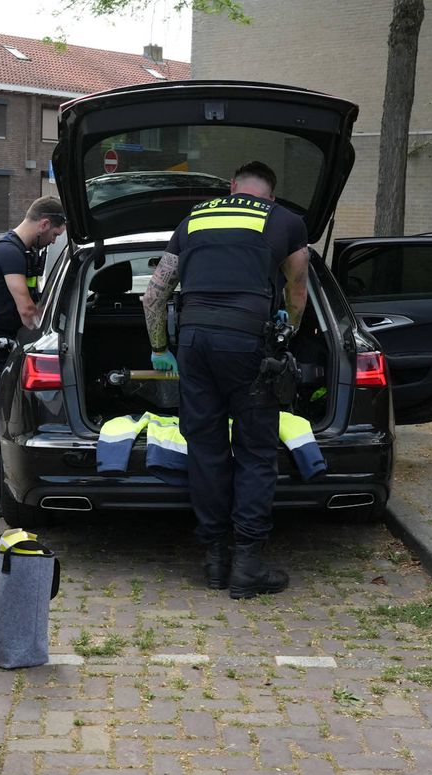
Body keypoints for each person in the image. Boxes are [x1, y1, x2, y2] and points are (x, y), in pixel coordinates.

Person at [142, 162, 309, 599]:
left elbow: (153, 295)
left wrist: (160, 347)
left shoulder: (194, 219)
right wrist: (287, 332)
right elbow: (297, 290)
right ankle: (247, 565)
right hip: (247, 344)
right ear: (270, 195)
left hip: (194, 343)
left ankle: (215, 560)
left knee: (206, 448)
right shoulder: (285, 220)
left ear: (232, 187)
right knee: (255, 451)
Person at [0, 196, 68, 499]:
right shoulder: (8, 252)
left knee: (2, 416)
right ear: (44, 224)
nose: (53, 241)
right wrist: (51, 333)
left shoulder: (20, 251)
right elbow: (27, 310)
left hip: (2, 343)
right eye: (54, 234)